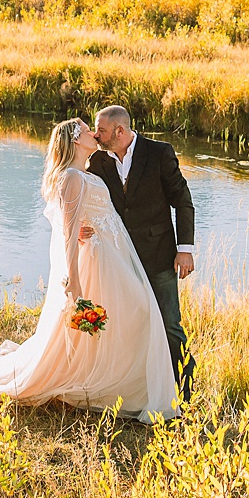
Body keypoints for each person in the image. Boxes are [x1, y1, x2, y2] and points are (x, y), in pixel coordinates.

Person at [0, 118, 178, 422]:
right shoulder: (72, 177)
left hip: (111, 262)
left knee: (135, 316)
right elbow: (68, 233)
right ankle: (109, 387)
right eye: (88, 131)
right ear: (76, 140)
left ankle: (124, 386)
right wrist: (72, 280)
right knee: (131, 316)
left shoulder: (87, 172)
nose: (94, 135)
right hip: (95, 266)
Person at [87, 104, 197, 399]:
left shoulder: (159, 153)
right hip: (118, 259)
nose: (96, 135)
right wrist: (85, 228)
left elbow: (183, 201)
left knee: (169, 323)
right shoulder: (96, 160)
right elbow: (90, 201)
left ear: (120, 131)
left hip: (158, 256)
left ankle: (185, 390)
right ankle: (139, 389)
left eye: (102, 130)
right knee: (128, 324)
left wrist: (184, 250)